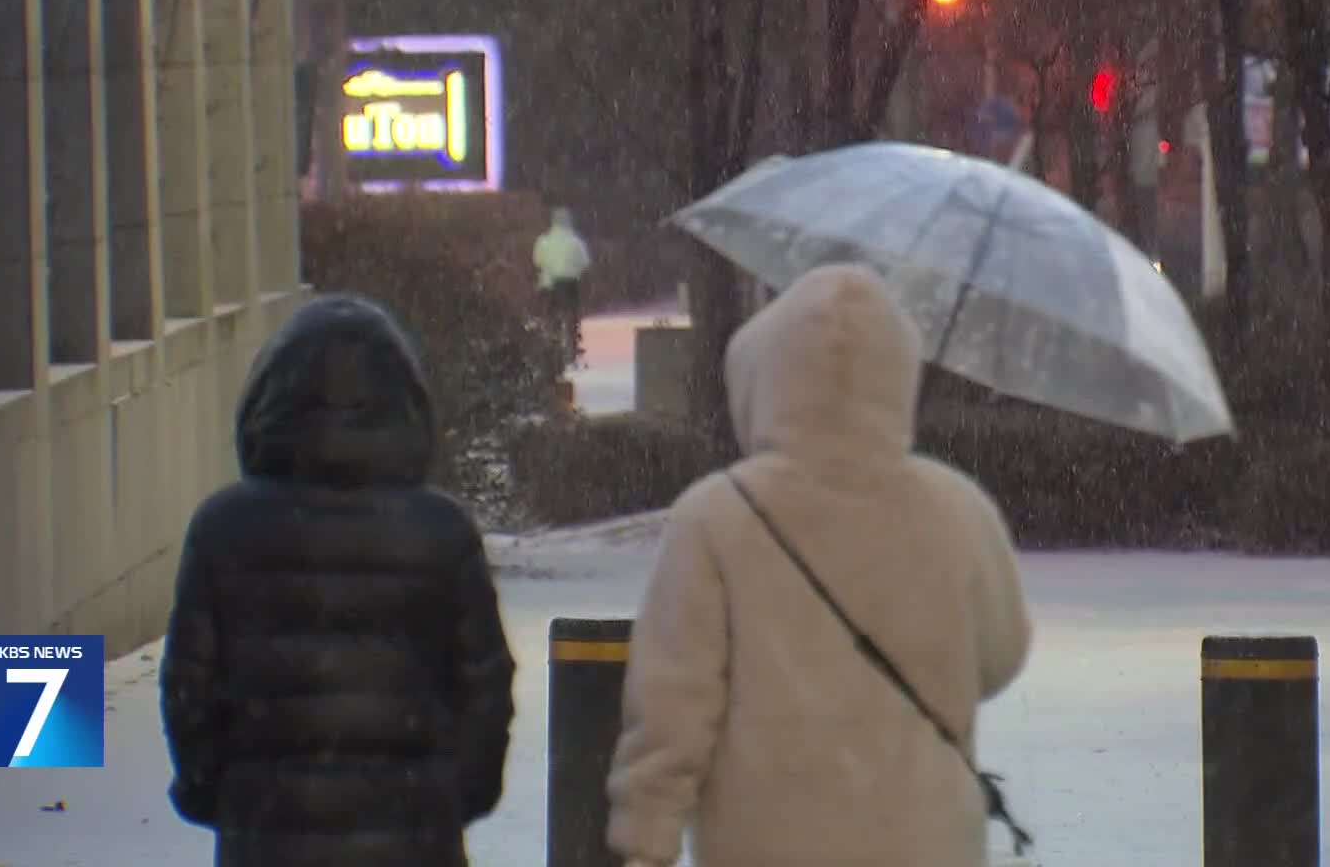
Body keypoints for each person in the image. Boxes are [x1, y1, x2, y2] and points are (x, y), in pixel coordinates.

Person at [605, 263, 1033, 867]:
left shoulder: (716, 518)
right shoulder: (958, 510)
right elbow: (999, 658)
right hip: (923, 841)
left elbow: (671, 712)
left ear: (768, 377)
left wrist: (644, 840)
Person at [159, 295, 517, 866]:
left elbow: (190, 689)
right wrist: (454, 796)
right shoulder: (441, 531)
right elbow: (483, 684)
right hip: (412, 835)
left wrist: (218, 791)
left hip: (271, 836)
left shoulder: (224, 529)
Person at [534, 206, 592, 361]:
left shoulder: (543, 241)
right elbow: (585, 263)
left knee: (550, 317)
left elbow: (537, 261)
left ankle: (551, 347)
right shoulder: (576, 242)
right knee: (571, 317)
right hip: (569, 284)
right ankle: (571, 350)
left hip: (548, 284)